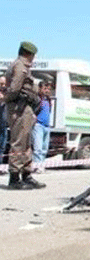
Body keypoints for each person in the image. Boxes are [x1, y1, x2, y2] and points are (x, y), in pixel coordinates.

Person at [4, 42, 45, 189]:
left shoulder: (22, 66)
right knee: (19, 142)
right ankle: (14, 177)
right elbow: (14, 89)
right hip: (19, 108)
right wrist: (9, 100)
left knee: (27, 143)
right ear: (29, 54)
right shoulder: (20, 66)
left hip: (25, 108)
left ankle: (26, 174)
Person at [32, 81, 52, 173]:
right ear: (40, 89)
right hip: (38, 126)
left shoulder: (48, 100)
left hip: (46, 127)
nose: (47, 91)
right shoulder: (37, 99)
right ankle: (37, 166)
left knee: (44, 148)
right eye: (45, 88)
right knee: (38, 148)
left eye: (48, 89)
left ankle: (42, 165)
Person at [0, 77, 8, 173]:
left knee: (2, 148)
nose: (3, 86)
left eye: (4, 84)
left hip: (4, 125)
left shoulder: (7, 95)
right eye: (1, 84)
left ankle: (1, 168)